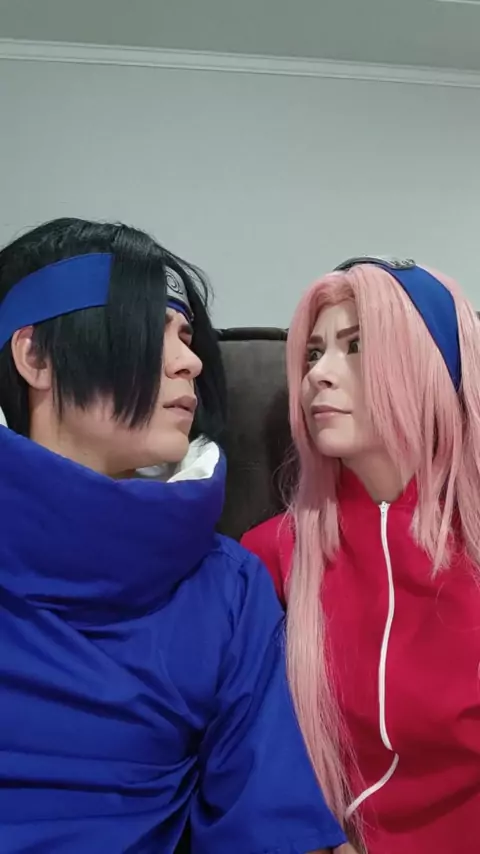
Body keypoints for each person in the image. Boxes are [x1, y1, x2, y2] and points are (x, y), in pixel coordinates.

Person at [0, 218, 348, 854]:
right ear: (36, 357)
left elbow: (271, 826)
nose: (190, 361)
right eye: (150, 329)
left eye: (187, 337)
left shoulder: (226, 586)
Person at [242, 255, 480, 854]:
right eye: (313, 353)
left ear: (429, 367)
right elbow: (249, 750)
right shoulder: (268, 557)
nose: (318, 375)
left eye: (355, 345)